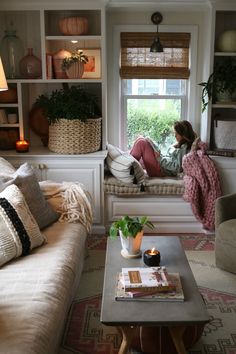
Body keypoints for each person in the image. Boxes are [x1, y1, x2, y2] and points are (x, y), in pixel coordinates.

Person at [130, 120, 197, 177]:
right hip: (160, 165)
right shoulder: (179, 145)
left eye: (177, 133)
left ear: (184, 135)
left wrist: (159, 158)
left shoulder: (183, 149)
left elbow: (177, 168)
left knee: (141, 143)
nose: (175, 135)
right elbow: (169, 158)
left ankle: (127, 169)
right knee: (141, 139)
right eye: (175, 133)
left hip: (161, 170)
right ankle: (128, 164)